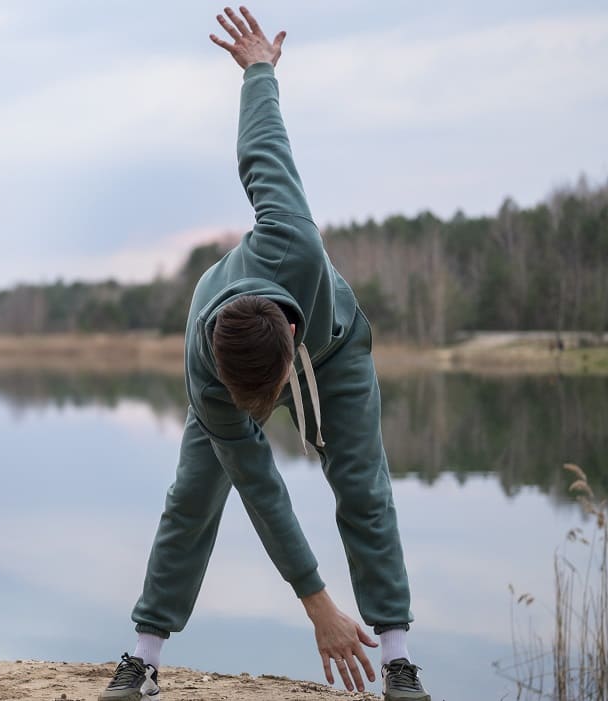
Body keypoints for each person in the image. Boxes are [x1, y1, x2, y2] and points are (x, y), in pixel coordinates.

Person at [98, 8, 429, 701]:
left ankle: (399, 662)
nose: (269, 412)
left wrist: (258, 72)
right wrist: (317, 604)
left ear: (286, 352)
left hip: (335, 349)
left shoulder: (293, 241)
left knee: (363, 485)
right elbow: (262, 489)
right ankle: (143, 657)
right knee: (192, 497)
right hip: (234, 374)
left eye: (271, 396)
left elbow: (263, 151)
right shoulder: (208, 374)